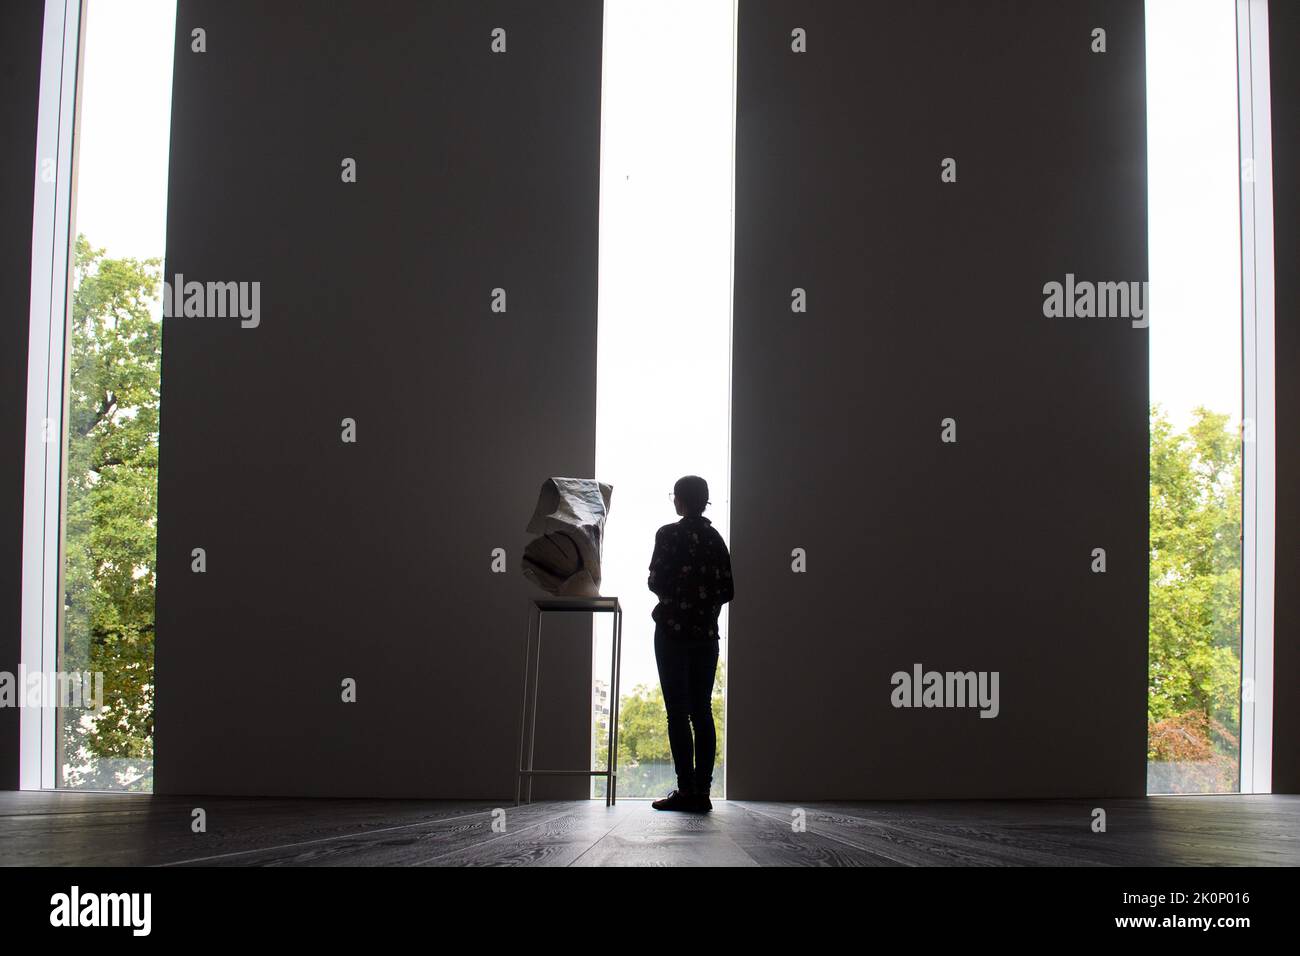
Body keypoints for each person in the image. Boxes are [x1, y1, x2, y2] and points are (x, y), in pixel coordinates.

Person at [646, 475, 734, 812]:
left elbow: (655, 580)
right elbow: (728, 590)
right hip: (705, 635)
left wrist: (678, 598)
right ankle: (703, 792)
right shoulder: (715, 539)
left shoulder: (667, 535)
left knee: (677, 714)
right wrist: (703, 606)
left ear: (680, 500)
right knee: (702, 711)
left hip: (671, 632)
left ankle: (685, 790)